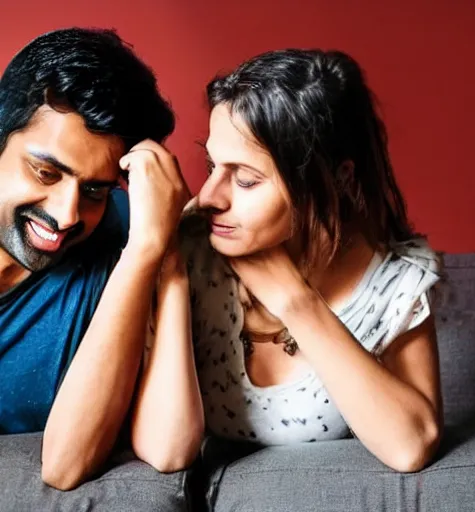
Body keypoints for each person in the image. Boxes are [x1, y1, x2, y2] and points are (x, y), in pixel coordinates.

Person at [134, 49, 443, 474]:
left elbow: (410, 447)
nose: (209, 196)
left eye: (245, 179)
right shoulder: (191, 245)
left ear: (338, 180)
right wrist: (170, 265)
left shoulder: (396, 286)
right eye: (211, 165)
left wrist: (295, 300)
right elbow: (166, 452)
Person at [0, 27, 193, 490]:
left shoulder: (129, 238)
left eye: (94, 190)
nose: (67, 215)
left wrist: (150, 249)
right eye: (46, 171)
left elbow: (68, 466)